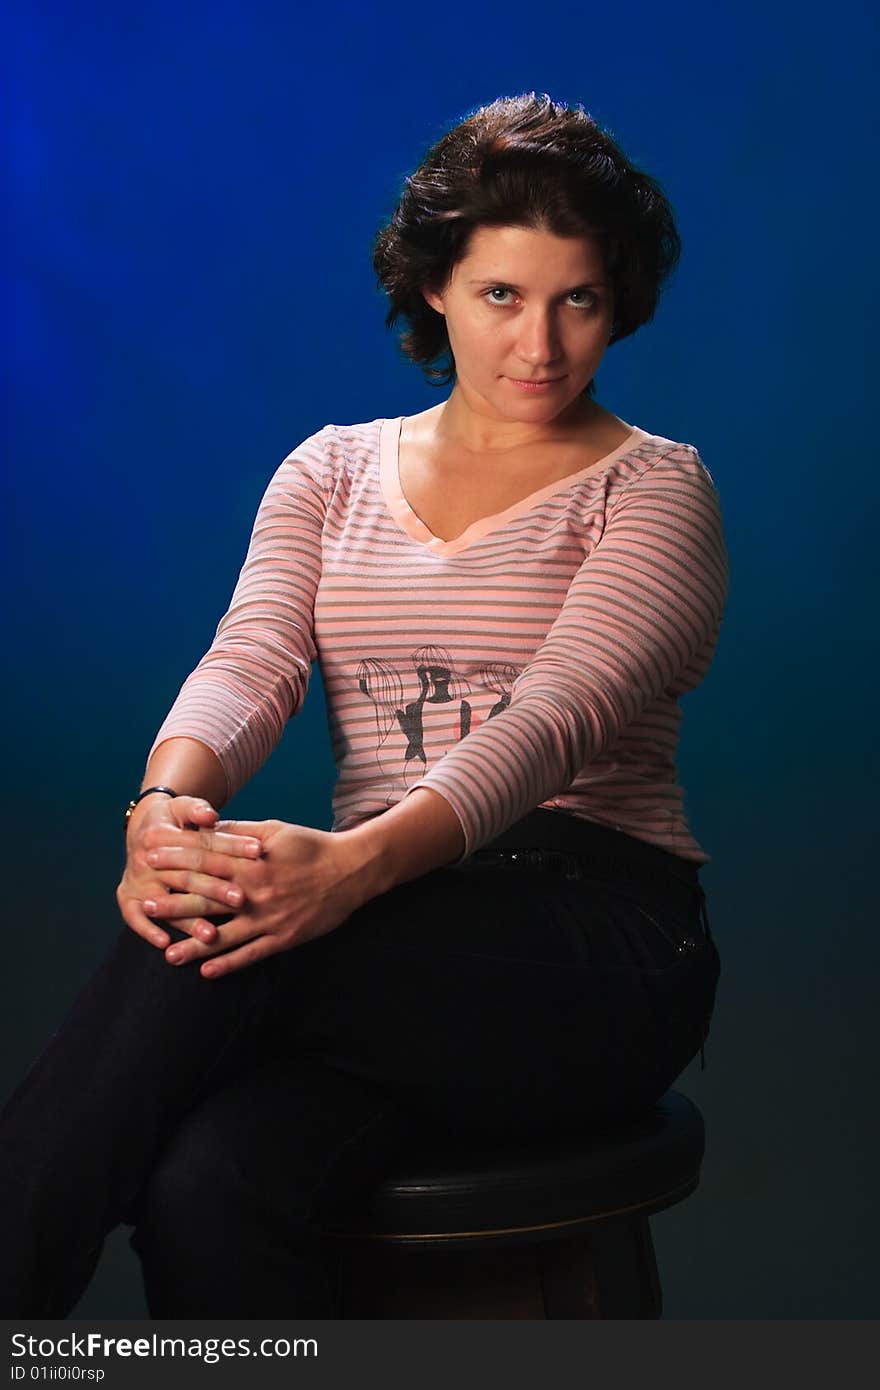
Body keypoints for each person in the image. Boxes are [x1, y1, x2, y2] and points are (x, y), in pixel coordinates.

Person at [0, 91, 729, 1318]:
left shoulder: (655, 490)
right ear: (436, 287)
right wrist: (164, 807)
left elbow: (551, 720)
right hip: (389, 939)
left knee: (223, 939)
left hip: (596, 942)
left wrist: (350, 870)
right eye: (502, 295)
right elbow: (252, 660)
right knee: (206, 1182)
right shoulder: (330, 470)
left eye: (578, 300)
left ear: (618, 304)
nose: (539, 344)